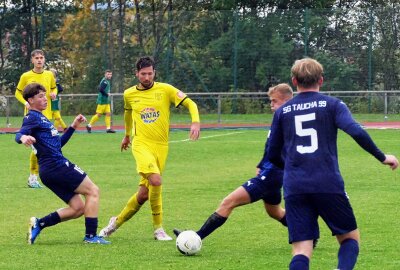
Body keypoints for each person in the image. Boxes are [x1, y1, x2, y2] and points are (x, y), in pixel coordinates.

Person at [266, 58, 399, 270]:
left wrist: (293, 167)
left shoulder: (282, 112)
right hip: (327, 183)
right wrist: (382, 157)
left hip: (295, 187)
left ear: (294, 81)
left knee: (301, 250)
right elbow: (355, 130)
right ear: (321, 80)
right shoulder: (332, 104)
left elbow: (271, 154)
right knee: (349, 239)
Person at [173, 83, 294, 241]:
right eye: (270, 101)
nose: (271, 105)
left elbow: (284, 151)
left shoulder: (288, 122)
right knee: (275, 212)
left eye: (274, 101)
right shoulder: (279, 119)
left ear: (287, 102)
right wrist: (260, 164)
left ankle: (195, 238)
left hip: (271, 176)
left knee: (228, 202)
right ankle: (309, 233)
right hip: (270, 174)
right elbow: (271, 147)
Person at [99, 56, 200, 241]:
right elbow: (128, 115)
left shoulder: (165, 89)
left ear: (154, 73)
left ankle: (115, 223)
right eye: (143, 74)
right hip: (141, 144)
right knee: (156, 180)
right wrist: (127, 135)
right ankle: (158, 229)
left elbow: (190, 103)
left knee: (144, 194)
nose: (147, 77)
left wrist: (195, 122)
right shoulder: (129, 94)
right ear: (137, 74)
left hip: (161, 146)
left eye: (150, 73)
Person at [15, 83, 110, 245]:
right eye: (40, 96)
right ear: (30, 100)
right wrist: (23, 138)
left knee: (78, 208)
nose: (45, 99)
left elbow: (57, 144)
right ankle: (91, 236)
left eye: (45, 95)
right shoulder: (31, 117)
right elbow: (20, 133)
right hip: (56, 166)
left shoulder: (42, 118)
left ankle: (39, 223)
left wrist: (73, 126)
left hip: (48, 171)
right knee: (93, 190)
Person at [15, 49, 57, 188]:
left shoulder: (49, 74)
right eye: (37, 58)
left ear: (44, 59)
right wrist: (25, 102)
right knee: (36, 148)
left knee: (47, 146)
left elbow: (54, 88)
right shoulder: (26, 76)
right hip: (33, 117)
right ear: (32, 60)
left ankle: (43, 175)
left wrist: (53, 94)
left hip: (47, 115)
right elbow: (17, 93)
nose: (39, 60)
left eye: (41, 57)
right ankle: (33, 177)